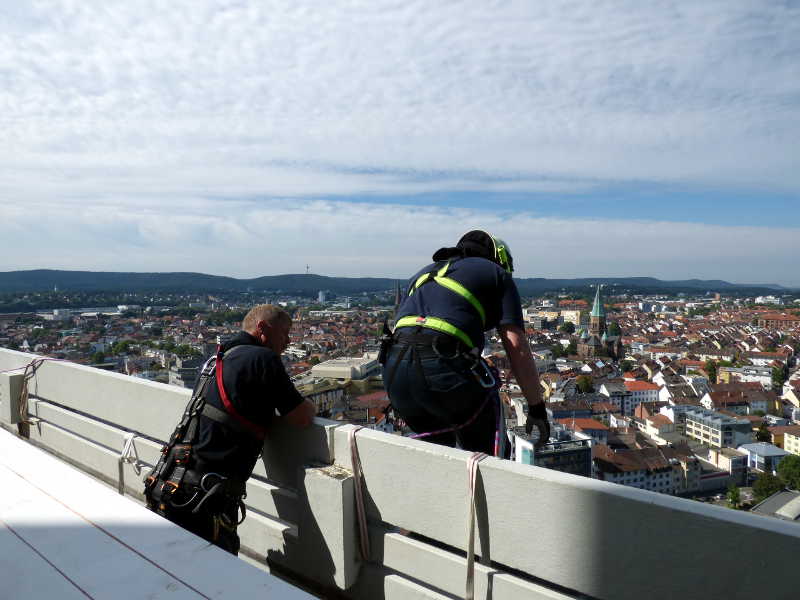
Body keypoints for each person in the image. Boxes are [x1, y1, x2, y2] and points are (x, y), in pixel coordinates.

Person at [144, 304, 316, 554]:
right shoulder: (263, 359)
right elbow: (302, 417)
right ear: (262, 329)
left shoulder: (215, 360)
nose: (288, 342)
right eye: (284, 333)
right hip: (205, 498)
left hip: (172, 483)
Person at [381, 230, 549, 455]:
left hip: (395, 372)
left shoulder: (422, 274)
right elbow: (516, 346)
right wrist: (537, 408)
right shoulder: (496, 273)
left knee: (438, 454)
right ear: (499, 259)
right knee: (487, 456)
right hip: (443, 370)